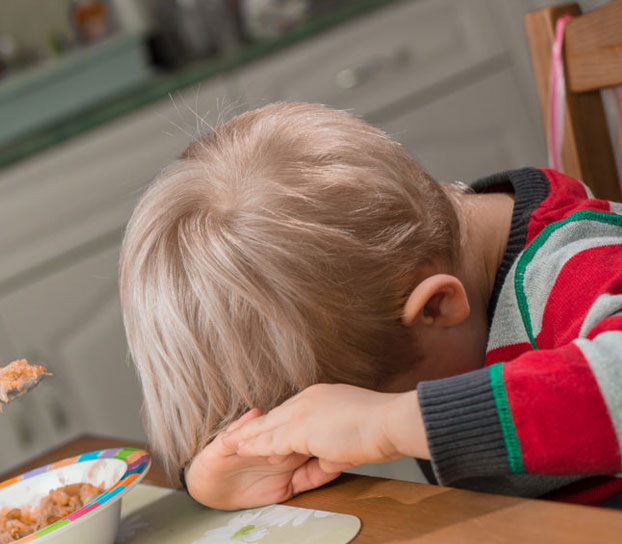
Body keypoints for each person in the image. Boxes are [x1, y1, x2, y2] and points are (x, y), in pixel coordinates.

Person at [120, 101, 622, 512]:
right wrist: (215, 475)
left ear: (436, 307)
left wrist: (388, 422)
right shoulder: (393, 281)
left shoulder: (580, 266)